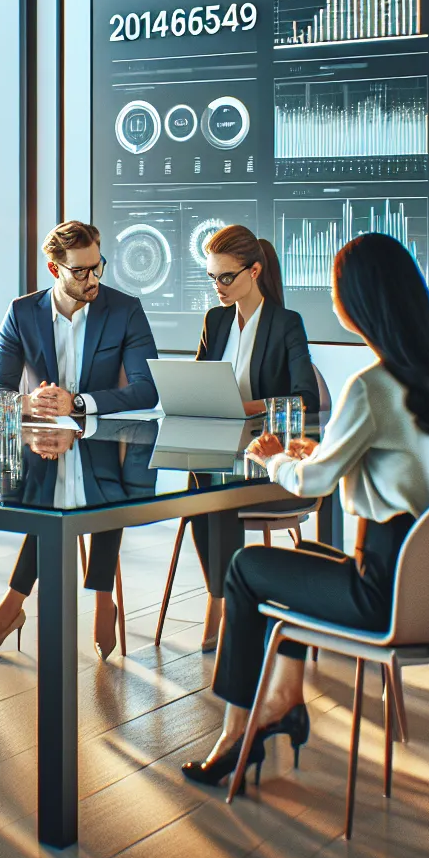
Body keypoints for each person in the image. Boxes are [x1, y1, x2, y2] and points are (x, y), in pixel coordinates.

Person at [181, 233, 429, 788]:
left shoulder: (371, 385)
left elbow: (311, 483)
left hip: (383, 594)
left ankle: (236, 732)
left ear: (358, 300)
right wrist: (320, 452)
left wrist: (271, 459)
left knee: (246, 569)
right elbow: (383, 459)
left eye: (337, 288)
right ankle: (284, 702)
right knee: (303, 558)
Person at [0, 220, 159, 660]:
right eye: (81, 271)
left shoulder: (124, 310)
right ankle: (33, 603)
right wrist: (31, 402)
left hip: (104, 437)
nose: (93, 279)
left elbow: (147, 388)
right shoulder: (22, 313)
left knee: (104, 485)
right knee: (48, 490)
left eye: (98, 266)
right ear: (55, 270)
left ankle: (80, 598)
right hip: (44, 446)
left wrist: (79, 403)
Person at [184, 224, 319, 652]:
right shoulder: (215, 319)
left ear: (254, 271)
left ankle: (223, 603)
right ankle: (220, 596)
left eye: (226, 276)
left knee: (215, 489)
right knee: (199, 484)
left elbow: (306, 397)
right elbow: (199, 383)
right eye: (212, 277)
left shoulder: (286, 324)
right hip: (219, 450)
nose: (218, 287)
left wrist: (247, 407)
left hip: (266, 459)